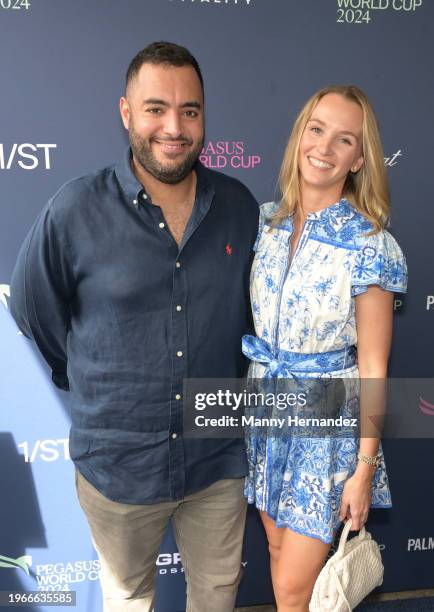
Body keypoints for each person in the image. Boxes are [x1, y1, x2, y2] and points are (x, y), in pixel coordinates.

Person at [10, 41, 258, 612]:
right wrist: (95, 381)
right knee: (127, 599)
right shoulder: (74, 209)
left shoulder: (240, 207)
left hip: (216, 456)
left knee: (218, 596)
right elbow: (32, 310)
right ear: (126, 113)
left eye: (189, 111)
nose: (173, 126)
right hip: (118, 465)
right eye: (156, 109)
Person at [241, 85, 407, 612]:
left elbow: (375, 366)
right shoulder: (265, 224)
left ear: (359, 159)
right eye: (317, 130)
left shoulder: (370, 243)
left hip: (326, 428)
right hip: (264, 411)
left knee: (292, 589)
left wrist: (363, 470)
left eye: (344, 140)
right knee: (273, 549)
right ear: (299, 137)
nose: (325, 148)